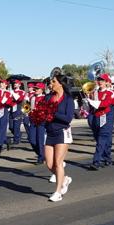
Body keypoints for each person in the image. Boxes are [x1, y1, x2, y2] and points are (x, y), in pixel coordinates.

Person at [44, 74, 74, 202]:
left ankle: (58, 192)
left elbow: (68, 118)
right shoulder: (48, 97)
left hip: (62, 132)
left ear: (61, 84)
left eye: (53, 82)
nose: (51, 84)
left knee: (58, 163)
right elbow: (42, 111)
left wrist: (53, 112)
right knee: (49, 164)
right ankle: (65, 179)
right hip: (49, 132)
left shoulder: (68, 99)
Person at [87, 73, 114, 170]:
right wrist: (88, 99)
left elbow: (105, 103)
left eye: (102, 80)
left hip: (106, 118)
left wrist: (94, 102)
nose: (100, 82)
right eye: (99, 80)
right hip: (95, 117)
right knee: (102, 140)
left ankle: (96, 161)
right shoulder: (94, 92)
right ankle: (107, 158)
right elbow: (91, 106)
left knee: (101, 139)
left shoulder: (111, 93)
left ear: (107, 82)